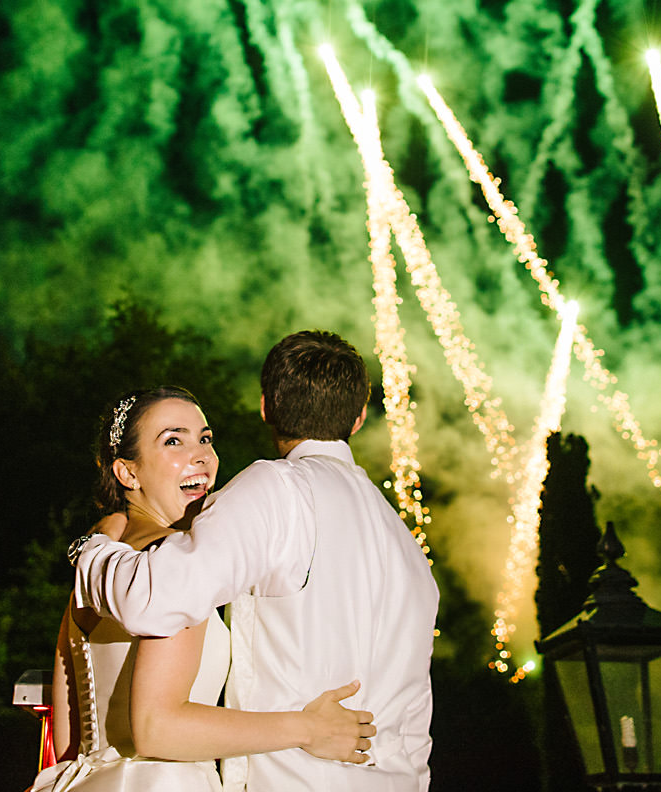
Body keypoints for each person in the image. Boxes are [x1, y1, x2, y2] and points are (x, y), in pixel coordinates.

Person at [73, 333, 440, 790]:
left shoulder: (277, 490)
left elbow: (155, 599)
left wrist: (93, 549)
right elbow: (415, 722)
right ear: (360, 416)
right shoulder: (408, 547)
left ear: (266, 406)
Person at [32, 385, 375, 791]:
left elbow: (69, 744)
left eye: (205, 439)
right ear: (128, 472)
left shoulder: (95, 570)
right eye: (173, 441)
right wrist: (308, 729)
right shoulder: (172, 565)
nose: (202, 456)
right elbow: (160, 728)